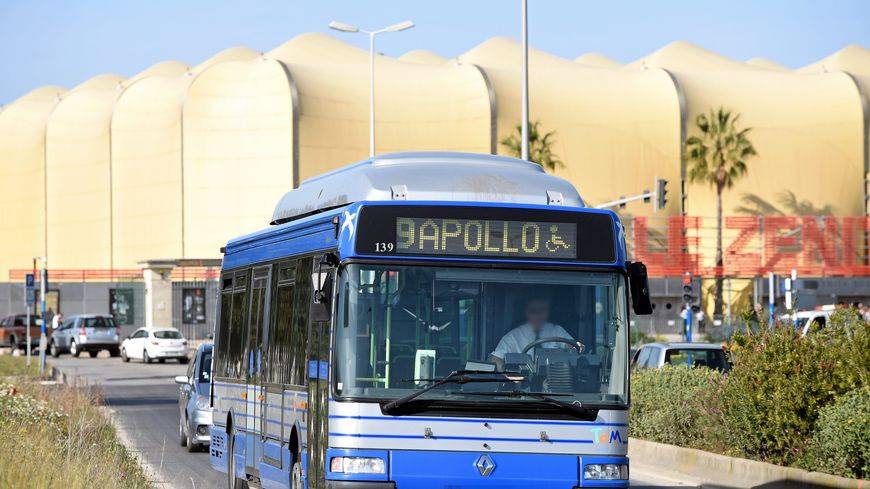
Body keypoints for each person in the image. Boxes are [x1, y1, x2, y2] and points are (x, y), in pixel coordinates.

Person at [489, 297, 580, 370]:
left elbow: (571, 347)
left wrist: (576, 346)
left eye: (542, 310)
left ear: (548, 311)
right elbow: (496, 359)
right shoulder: (512, 336)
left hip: (556, 381)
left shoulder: (556, 330)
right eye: (533, 311)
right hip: (522, 388)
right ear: (526, 312)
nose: (538, 315)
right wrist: (507, 376)